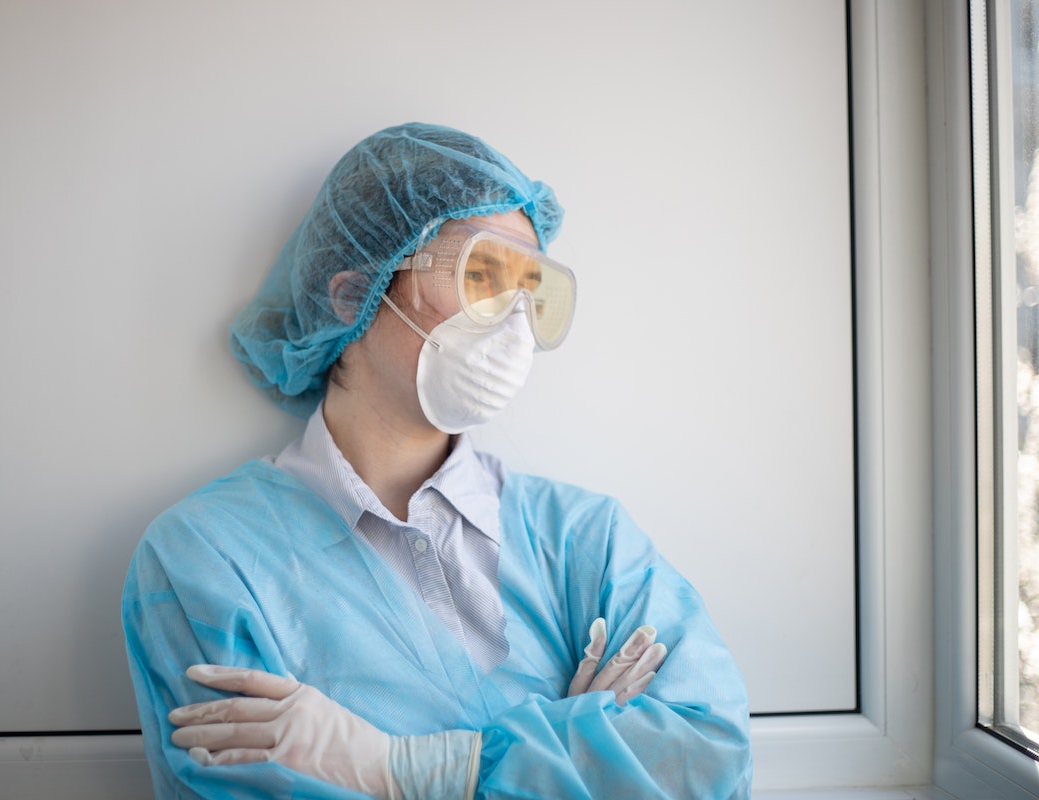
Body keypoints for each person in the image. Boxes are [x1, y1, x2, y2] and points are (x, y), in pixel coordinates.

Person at [122, 122, 753, 799]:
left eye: (532, 290)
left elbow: (707, 761)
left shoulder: (586, 540)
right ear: (351, 294)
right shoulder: (207, 560)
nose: (515, 318)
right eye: (481, 275)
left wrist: (403, 770)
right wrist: (578, 745)